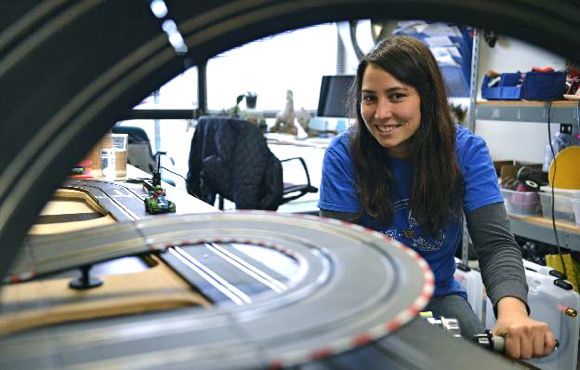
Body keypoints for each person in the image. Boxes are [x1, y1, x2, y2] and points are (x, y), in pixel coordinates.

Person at [318, 35, 556, 360]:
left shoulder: (466, 151)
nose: (381, 113)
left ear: (426, 98)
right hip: (365, 302)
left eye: (397, 96)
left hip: (438, 296)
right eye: (369, 98)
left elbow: (496, 245)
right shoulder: (343, 155)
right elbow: (338, 256)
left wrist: (513, 314)